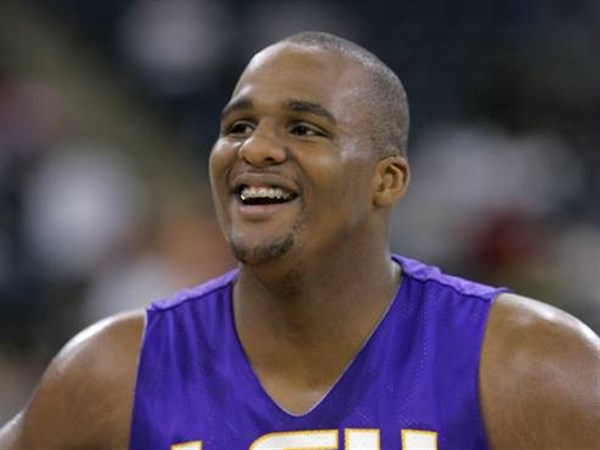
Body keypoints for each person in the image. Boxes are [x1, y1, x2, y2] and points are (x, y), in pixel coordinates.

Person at [1, 31, 598, 450]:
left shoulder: (531, 366)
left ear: (386, 181)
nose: (255, 148)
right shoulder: (113, 374)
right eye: (238, 126)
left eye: (305, 128)